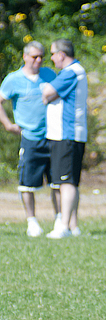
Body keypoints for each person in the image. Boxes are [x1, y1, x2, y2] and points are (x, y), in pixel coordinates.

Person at [0, 41, 59, 237]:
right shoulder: (13, 79)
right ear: (25, 57)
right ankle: (32, 222)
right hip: (30, 137)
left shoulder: (49, 75)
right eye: (34, 57)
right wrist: (8, 124)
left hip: (53, 135)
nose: (38, 60)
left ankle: (60, 220)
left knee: (57, 182)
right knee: (27, 183)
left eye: (41, 56)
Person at [40, 38, 88, 238]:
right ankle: (73, 226)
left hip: (66, 134)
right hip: (71, 134)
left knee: (66, 182)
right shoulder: (75, 71)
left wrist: (47, 94)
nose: (51, 58)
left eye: (53, 53)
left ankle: (64, 226)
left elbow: (47, 93)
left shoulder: (71, 72)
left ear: (61, 54)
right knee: (71, 181)